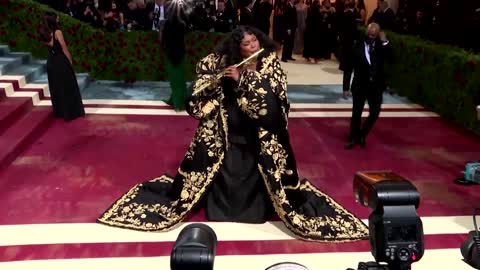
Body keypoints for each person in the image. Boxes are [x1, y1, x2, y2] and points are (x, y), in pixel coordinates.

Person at [97, 26, 368, 242]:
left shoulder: (271, 64)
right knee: (212, 162)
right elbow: (198, 96)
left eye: (255, 43)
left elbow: (275, 107)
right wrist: (219, 80)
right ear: (236, 48)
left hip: (258, 136)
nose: (253, 48)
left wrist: (246, 80)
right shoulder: (220, 61)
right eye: (246, 45)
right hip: (226, 132)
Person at [345, 23, 391, 150]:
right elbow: (348, 67)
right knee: (356, 113)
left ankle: (362, 134)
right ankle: (353, 137)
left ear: (378, 35)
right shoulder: (357, 46)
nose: (372, 37)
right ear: (366, 33)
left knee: (375, 112)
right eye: (370, 34)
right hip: (360, 85)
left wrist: (385, 41)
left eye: (374, 35)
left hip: (376, 86)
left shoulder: (381, 46)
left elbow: (391, 58)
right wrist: (345, 87)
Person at [38, 11, 85, 121]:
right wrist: (70, 62)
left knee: (57, 87)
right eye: (56, 16)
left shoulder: (44, 32)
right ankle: (71, 112)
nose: (58, 17)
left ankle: (60, 112)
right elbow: (64, 49)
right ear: (53, 19)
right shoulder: (58, 32)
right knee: (68, 86)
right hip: (61, 62)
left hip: (51, 63)